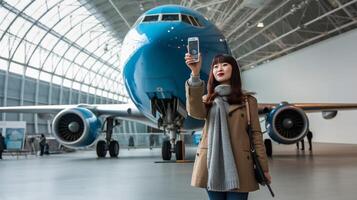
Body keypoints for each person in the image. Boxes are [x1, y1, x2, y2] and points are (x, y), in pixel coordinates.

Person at [185, 53, 271, 200]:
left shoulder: (248, 101)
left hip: (241, 164)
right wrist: (195, 73)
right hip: (211, 164)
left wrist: (264, 168)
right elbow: (194, 111)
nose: (220, 68)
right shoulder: (207, 100)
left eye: (224, 64)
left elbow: (256, 135)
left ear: (234, 70)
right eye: (215, 66)